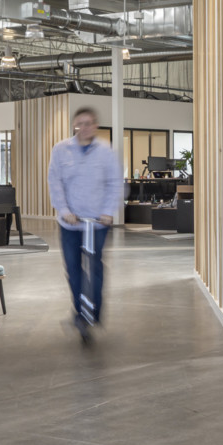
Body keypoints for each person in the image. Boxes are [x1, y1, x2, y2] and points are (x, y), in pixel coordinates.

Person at [47, 106, 124, 342]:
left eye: (89, 122)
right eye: (81, 123)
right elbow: (55, 182)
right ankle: (80, 314)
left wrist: (108, 211)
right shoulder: (61, 150)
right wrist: (64, 210)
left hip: (97, 222)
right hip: (71, 223)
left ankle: (94, 313)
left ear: (96, 125)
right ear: (74, 125)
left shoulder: (105, 151)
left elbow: (115, 182)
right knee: (73, 268)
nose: (85, 127)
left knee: (95, 267)